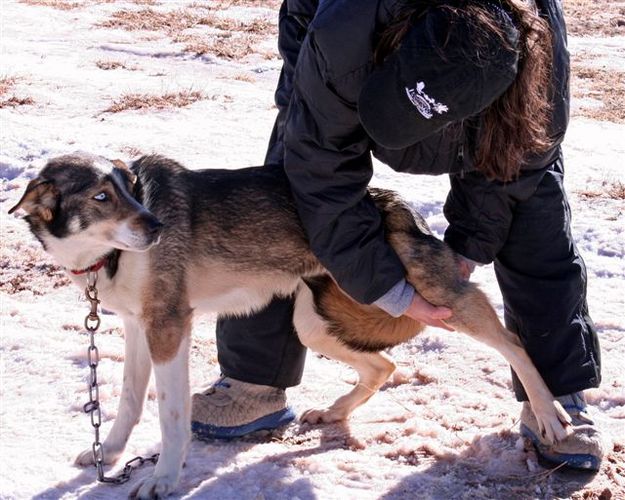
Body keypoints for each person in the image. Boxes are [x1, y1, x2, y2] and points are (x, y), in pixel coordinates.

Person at [191, 0, 605, 470]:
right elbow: (322, 176)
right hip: (342, 63)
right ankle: (253, 381)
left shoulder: (537, 61)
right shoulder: (343, 38)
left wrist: (467, 248)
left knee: (536, 216)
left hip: (501, 90)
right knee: (285, 193)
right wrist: (386, 289)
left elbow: (514, 171)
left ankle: (556, 394)